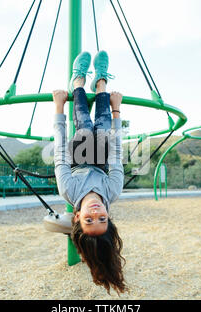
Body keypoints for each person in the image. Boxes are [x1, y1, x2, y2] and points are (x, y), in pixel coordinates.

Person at [50, 50, 127, 295]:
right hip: (103, 157)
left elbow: (60, 151)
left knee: (83, 124)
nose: (95, 214)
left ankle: (78, 81)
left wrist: (59, 108)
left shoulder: (69, 190)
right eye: (102, 219)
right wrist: (117, 111)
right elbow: (116, 153)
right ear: (108, 216)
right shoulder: (112, 191)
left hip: (80, 157)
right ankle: (101, 82)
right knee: (104, 127)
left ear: (76, 218)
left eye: (88, 220)